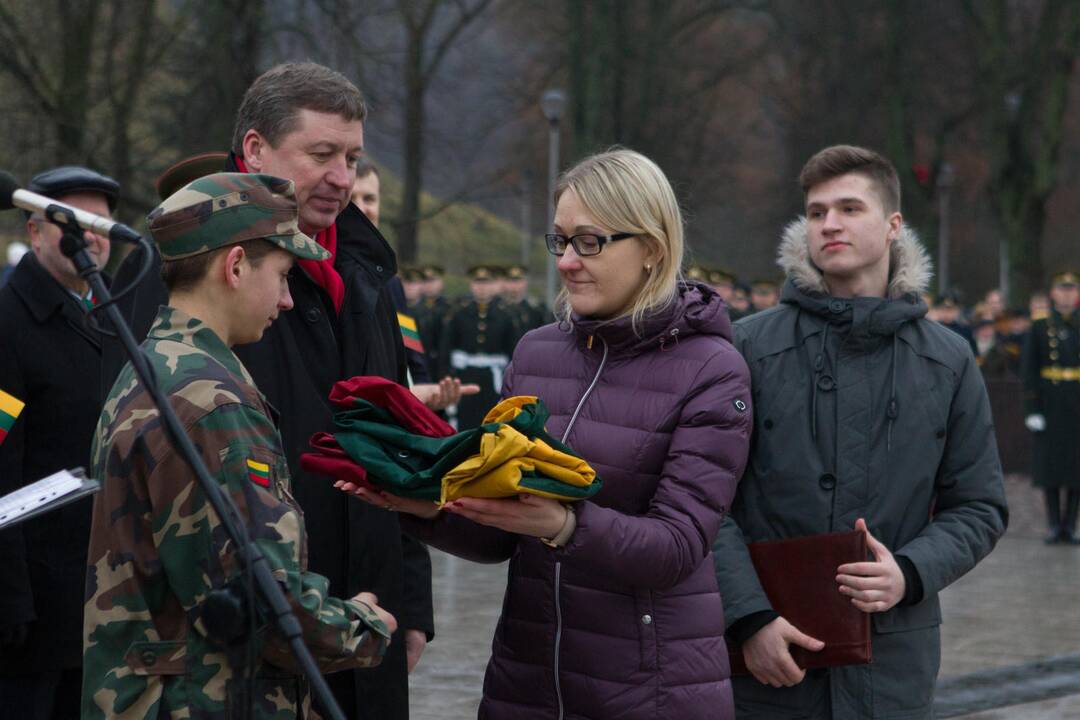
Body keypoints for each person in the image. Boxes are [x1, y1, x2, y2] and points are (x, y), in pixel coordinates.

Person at [341, 148, 753, 719]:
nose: (566, 262)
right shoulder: (536, 352)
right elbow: (499, 535)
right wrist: (420, 503)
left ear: (652, 251)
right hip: (527, 683)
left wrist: (564, 524)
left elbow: (677, 547)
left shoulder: (712, 369)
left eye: (590, 242)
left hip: (650, 691)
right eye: (559, 240)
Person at [101, 62, 433, 720]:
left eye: (353, 157)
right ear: (255, 150)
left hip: (366, 622)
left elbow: (400, 441)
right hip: (241, 648)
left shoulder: (368, 272)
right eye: (322, 154)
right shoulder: (183, 267)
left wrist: (411, 597)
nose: (343, 176)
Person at [712, 145, 1008, 719]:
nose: (829, 224)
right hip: (770, 662)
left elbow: (979, 506)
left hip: (892, 665)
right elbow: (705, 500)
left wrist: (911, 571)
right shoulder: (746, 348)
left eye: (850, 207)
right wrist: (748, 618)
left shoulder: (947, 360)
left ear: (894, 224)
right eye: (817, 211)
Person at [0, 166, 119, 720]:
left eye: (99, 222)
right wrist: (9, 598)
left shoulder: (111, 313)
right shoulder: (10, 320)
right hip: (32, 608)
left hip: (99, 595)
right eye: (70, 220)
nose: (88, 234)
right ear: (35, 230)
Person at [1022, 270, 1080, 544]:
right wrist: (1033, 409)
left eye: (1072, 289)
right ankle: (1054, 525)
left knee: (1076, 469)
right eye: (1063, 289)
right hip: (1051, 402)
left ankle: (1071, 525)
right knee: (1051, 468)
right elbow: (1030, 369)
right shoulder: (1040, 326)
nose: (1067, 294)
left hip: (1077, 402)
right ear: (1054, 294)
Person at [438, 264, 520, 428]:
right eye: (478, 283)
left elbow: (513, 353)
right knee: (464, 421)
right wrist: (446, 377)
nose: (482, 288)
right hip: (465, 375)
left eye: (486, 283)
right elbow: (446, 349)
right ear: (471, 285)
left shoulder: (506, 315)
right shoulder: (458, 313)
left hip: (493, 379)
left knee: (492, 421)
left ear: (494, 285)